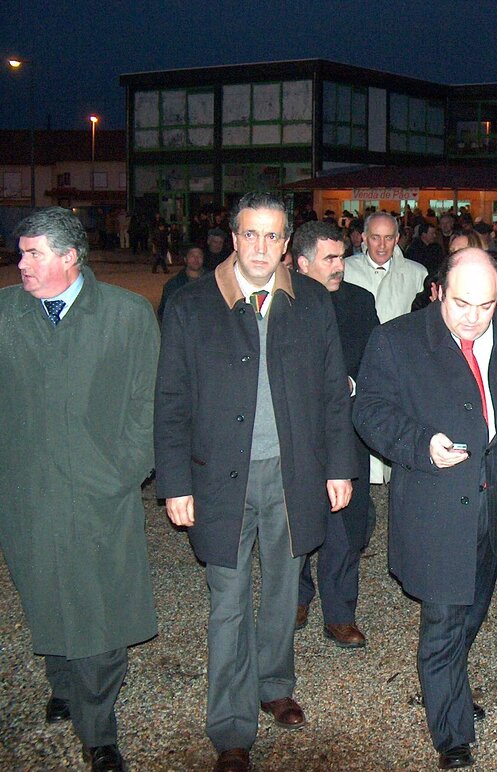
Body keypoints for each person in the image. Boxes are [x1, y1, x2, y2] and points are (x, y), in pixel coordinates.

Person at [155, 192, 358, 772]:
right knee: (227, 601)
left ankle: (274, 684)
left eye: (273, 237)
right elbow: (170, 400)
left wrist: (339, 466)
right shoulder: (192, 304)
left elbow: (330, 391)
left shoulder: (313, 301)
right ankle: (230, 724)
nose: (261, 248)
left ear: (286, 242)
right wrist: (174, 483)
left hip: (292, 475)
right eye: (251, 235)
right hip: (219, 478)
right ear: (233, 236)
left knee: (281, 592)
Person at [352, 247, 497, 769]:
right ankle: (452, 733)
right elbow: (370, 411)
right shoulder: (396, 340)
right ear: (438, 292)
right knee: (445, 615)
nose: (474, 317)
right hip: (438, 500)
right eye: (462, 303)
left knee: (477, 603)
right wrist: (421, 444)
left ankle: (445, 680)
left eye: (487, 305)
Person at [0, 207, 160, 772]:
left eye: (33, 253)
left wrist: (123, 471)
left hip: (100, 495)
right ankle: (63, 684)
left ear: (69, 258)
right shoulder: (5, 314)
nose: (21, 263)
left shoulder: (125, 314)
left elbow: (147, 405)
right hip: (25, 493)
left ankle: (99, 733)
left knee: (100, 611)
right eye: (20, 253)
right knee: (44, 592)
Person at [292, 220, 381, 646]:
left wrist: (350, 382)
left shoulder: (359, 302)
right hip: (295, 436)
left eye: (342, 257)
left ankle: (340, 611)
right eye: (330, 258)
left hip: (347, 432)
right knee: (293, 519)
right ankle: (295, 596)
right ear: (301, 262)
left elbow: (377, 362)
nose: (339, 266)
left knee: (347, 525)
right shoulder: (280, 301)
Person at [343, 211, 428, 485]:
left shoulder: (416, 273)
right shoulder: (345, 269)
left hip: (401, 366)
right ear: (363, 238)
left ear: (398, 239)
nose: (381, 245)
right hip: (357, 364)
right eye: (375, 237)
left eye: (388, 238)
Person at [157, 244, 207, 323]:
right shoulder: (173, 284)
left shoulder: (212, 281)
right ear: (185, 259)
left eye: (199, 256)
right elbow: (165, 312)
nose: (196, 259)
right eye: (192, 256)